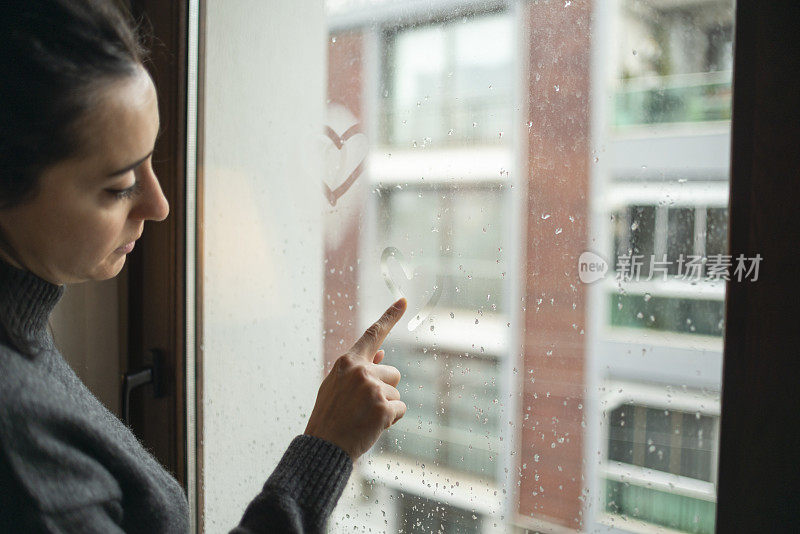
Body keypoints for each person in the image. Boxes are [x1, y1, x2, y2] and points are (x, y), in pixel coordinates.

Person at [0, 1, 408, 532]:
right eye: (120, 185)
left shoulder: (22, 334)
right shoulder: (25, 461)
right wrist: (327, 449)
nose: (160, 204)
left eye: (151, 159)